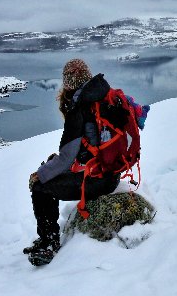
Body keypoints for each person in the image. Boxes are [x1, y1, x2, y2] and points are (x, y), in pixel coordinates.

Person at [24, 58, 121, 266]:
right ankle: (45, 239)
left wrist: (40, 174)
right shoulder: (104, 95)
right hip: (111, 174)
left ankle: (48, 243)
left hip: (98, 180)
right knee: (50, 173)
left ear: (68, 82)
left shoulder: (79, 109)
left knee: (41, 187)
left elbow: (67, 157)